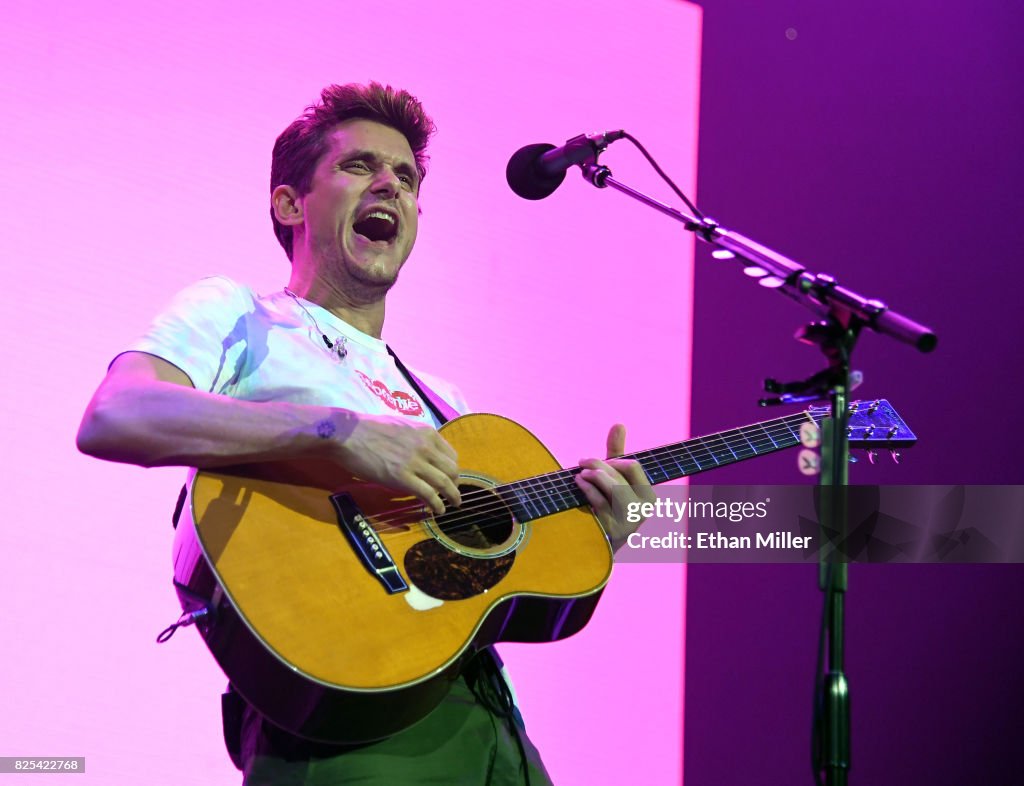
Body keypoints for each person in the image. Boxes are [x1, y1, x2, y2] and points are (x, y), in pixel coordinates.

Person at [77, 82, 654, 785]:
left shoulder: (444, 402)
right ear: (291, 203)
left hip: (487, 723)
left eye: (407, 178)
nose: (391, 184)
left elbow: (473, 583)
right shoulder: (241, 314)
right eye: (360, 167)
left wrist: (594, 532)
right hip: (342, 727)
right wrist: (335, 429)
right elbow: (118, 414)